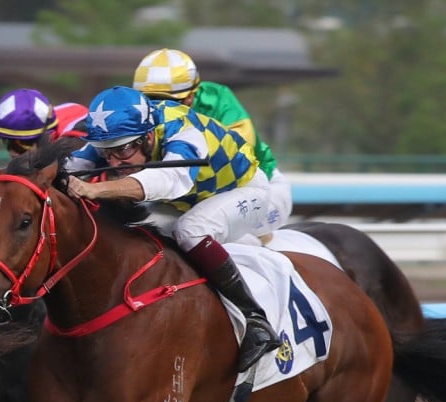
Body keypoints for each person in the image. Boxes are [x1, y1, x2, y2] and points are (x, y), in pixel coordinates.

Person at [64, 85, 278, 372]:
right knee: (135, 226)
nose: (115, 162)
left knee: (191, 230)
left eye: (124, 150)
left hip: (244, 191)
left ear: (148, 136)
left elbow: (170, 179)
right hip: (188, 200)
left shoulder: (182, 128)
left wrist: (98, 189)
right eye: (107, 154)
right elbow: (68, 166)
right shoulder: (113, 134)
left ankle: (256, 321)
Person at [133, 48, 291, 231]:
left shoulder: (218, 99)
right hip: (188, 200)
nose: (160, 107)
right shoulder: (137, 111)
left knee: (208, 233)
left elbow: (237, 153)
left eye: (170, 101)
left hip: (254, 191)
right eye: (150, 100)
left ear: (191, 95)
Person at [0, 88, 88, 159]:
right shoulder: (44, 122)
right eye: (7, 142)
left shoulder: (74, 137)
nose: (13, 153)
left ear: (47, 135)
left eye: (20, 145)